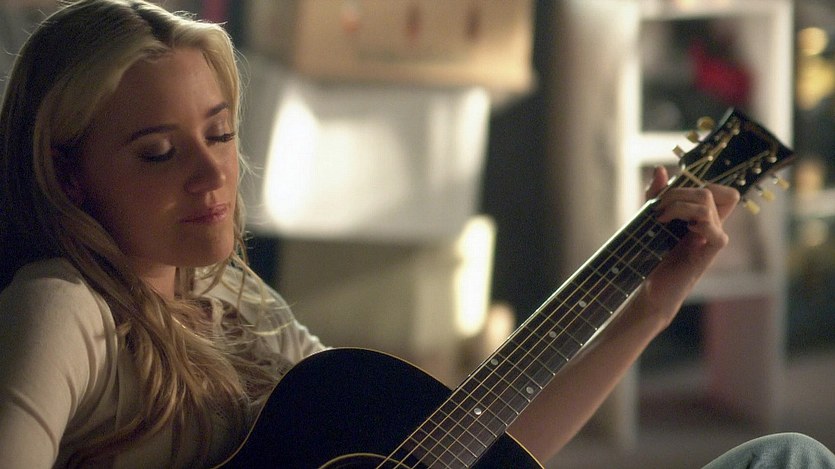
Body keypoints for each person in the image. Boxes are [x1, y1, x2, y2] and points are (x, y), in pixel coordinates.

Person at [0, 1, 832, 468]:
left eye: (219, 133)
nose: (211, 173)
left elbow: (463, 452)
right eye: (158, 152)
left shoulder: (230, 297)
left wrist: (648, 309)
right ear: (68, 173)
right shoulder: (64, 309)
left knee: (788, 455)